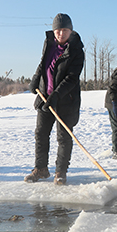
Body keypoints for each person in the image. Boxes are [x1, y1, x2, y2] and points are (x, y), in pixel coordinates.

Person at [26, 13, 85, 185]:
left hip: (66, 99)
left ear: (71, 31)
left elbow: (72, 78)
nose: (61, 34)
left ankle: (61, 172)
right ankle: (41, 169)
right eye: (58, 30)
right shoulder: (48, 43)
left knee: (63, 136)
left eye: (65, 30)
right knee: (41, 133)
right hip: (45, 97)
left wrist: (56, 95)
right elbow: (43, 64)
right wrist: (36, 79)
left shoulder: (76, 50)